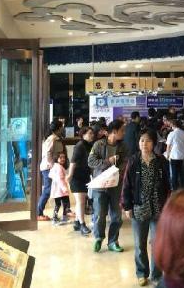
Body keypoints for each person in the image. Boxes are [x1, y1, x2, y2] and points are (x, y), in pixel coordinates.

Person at [122, 129, 171, 286]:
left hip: (158, 208)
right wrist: (127, 206)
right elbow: (126, 185)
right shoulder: (133, 161)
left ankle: (156, 275)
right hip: (139, 208)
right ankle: (142, 273)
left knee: (157, 244)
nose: (144, 144)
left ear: (154, 143)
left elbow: (168, 185)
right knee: (139, 244)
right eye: (142, 140)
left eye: (148, 140)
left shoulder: (161, 161)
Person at [88, 119, 128, 253]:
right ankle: (98, 238)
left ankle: (113, 241)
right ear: (114, 131)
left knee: (116, 216)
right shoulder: (98, 144)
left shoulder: (123, 147)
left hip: (116, 185)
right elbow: (91, 161)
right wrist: (108, 161)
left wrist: (118, 171)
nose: (124, 133)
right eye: (122, 130)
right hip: (100, 185)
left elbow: (125, 162)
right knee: (100, 214)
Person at [67, 126, 95, 235]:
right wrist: (70, 175)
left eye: (92, 133)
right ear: (83, 135)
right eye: (89, 133)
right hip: (76, 177)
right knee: (81, 202)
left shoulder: (90, 145)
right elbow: (73, 161)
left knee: (81, 201)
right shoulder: (80, 146)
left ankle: (77, 222)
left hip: (85, 176)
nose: (92, 135)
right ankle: (82, 224)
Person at [37, 120, 64, 220]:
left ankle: (63, 210)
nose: (63, 129)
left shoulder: (54, 138)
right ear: (58, 129)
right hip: (48, 168)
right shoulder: (52, 139)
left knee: (56, 189)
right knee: (48, 190)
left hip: (51, 167)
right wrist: (52, 166)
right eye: (61, 127)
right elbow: (48, 153)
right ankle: (38, 213)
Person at [165, 118, 184, 190]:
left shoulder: (171, 134)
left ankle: (175, 190)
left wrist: (167, 155)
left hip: (174, 156)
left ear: (173, 125)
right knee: (182, 174)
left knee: (174, 174)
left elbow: (168, 146)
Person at [49, 151, 70, 225]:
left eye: (64, 157)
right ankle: (62, 218)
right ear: (56, 158)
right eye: (60, 157)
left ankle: (56, 218)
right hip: (61, 190)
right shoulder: (59, 167)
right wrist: (64, 188)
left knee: (58, 204)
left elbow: (51, 175)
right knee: (65, 203)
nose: (63, 159)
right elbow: (60, 179)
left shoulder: (55, 166)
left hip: (57, 190)